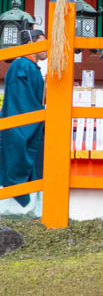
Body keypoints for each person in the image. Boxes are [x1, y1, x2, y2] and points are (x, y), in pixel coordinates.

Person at [0, 28, 46, 218]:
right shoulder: (21, 66)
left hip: (32, 127)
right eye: (44, 42)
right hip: (21, 129)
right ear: (31, 42)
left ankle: (31, 213)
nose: (47, 48)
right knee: (18, 159)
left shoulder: (31, 67)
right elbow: (21, 103)